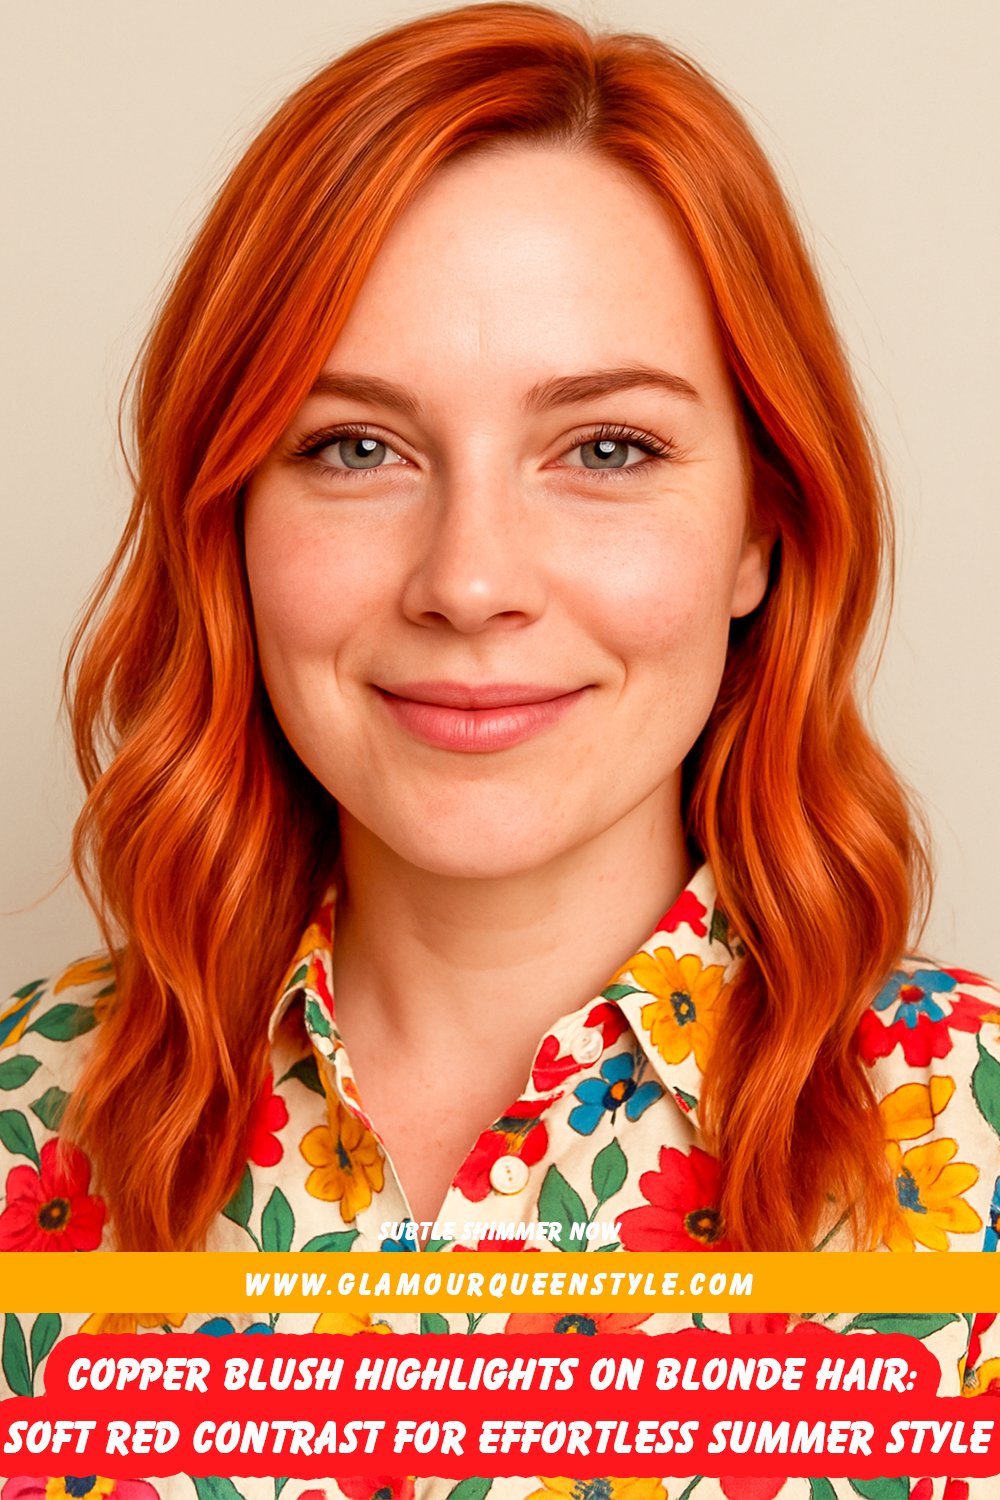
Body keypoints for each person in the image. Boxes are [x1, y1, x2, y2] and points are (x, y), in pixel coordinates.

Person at [1, 4, 998, 1498]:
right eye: (355, 448)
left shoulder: (976, 1152)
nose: (469, 581)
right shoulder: (23, 1121)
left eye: (607, 450)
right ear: (231, 526)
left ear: (765, 530)